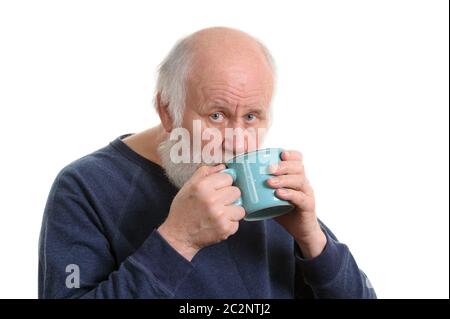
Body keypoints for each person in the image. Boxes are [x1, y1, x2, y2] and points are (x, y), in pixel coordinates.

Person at [38, 27, 376, 299]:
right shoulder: (84, 186)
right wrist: (178, 241)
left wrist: (313, 240)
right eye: (217, 115)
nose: (238, 141)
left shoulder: (263, 184)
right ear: (167, 111)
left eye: (252, 116)